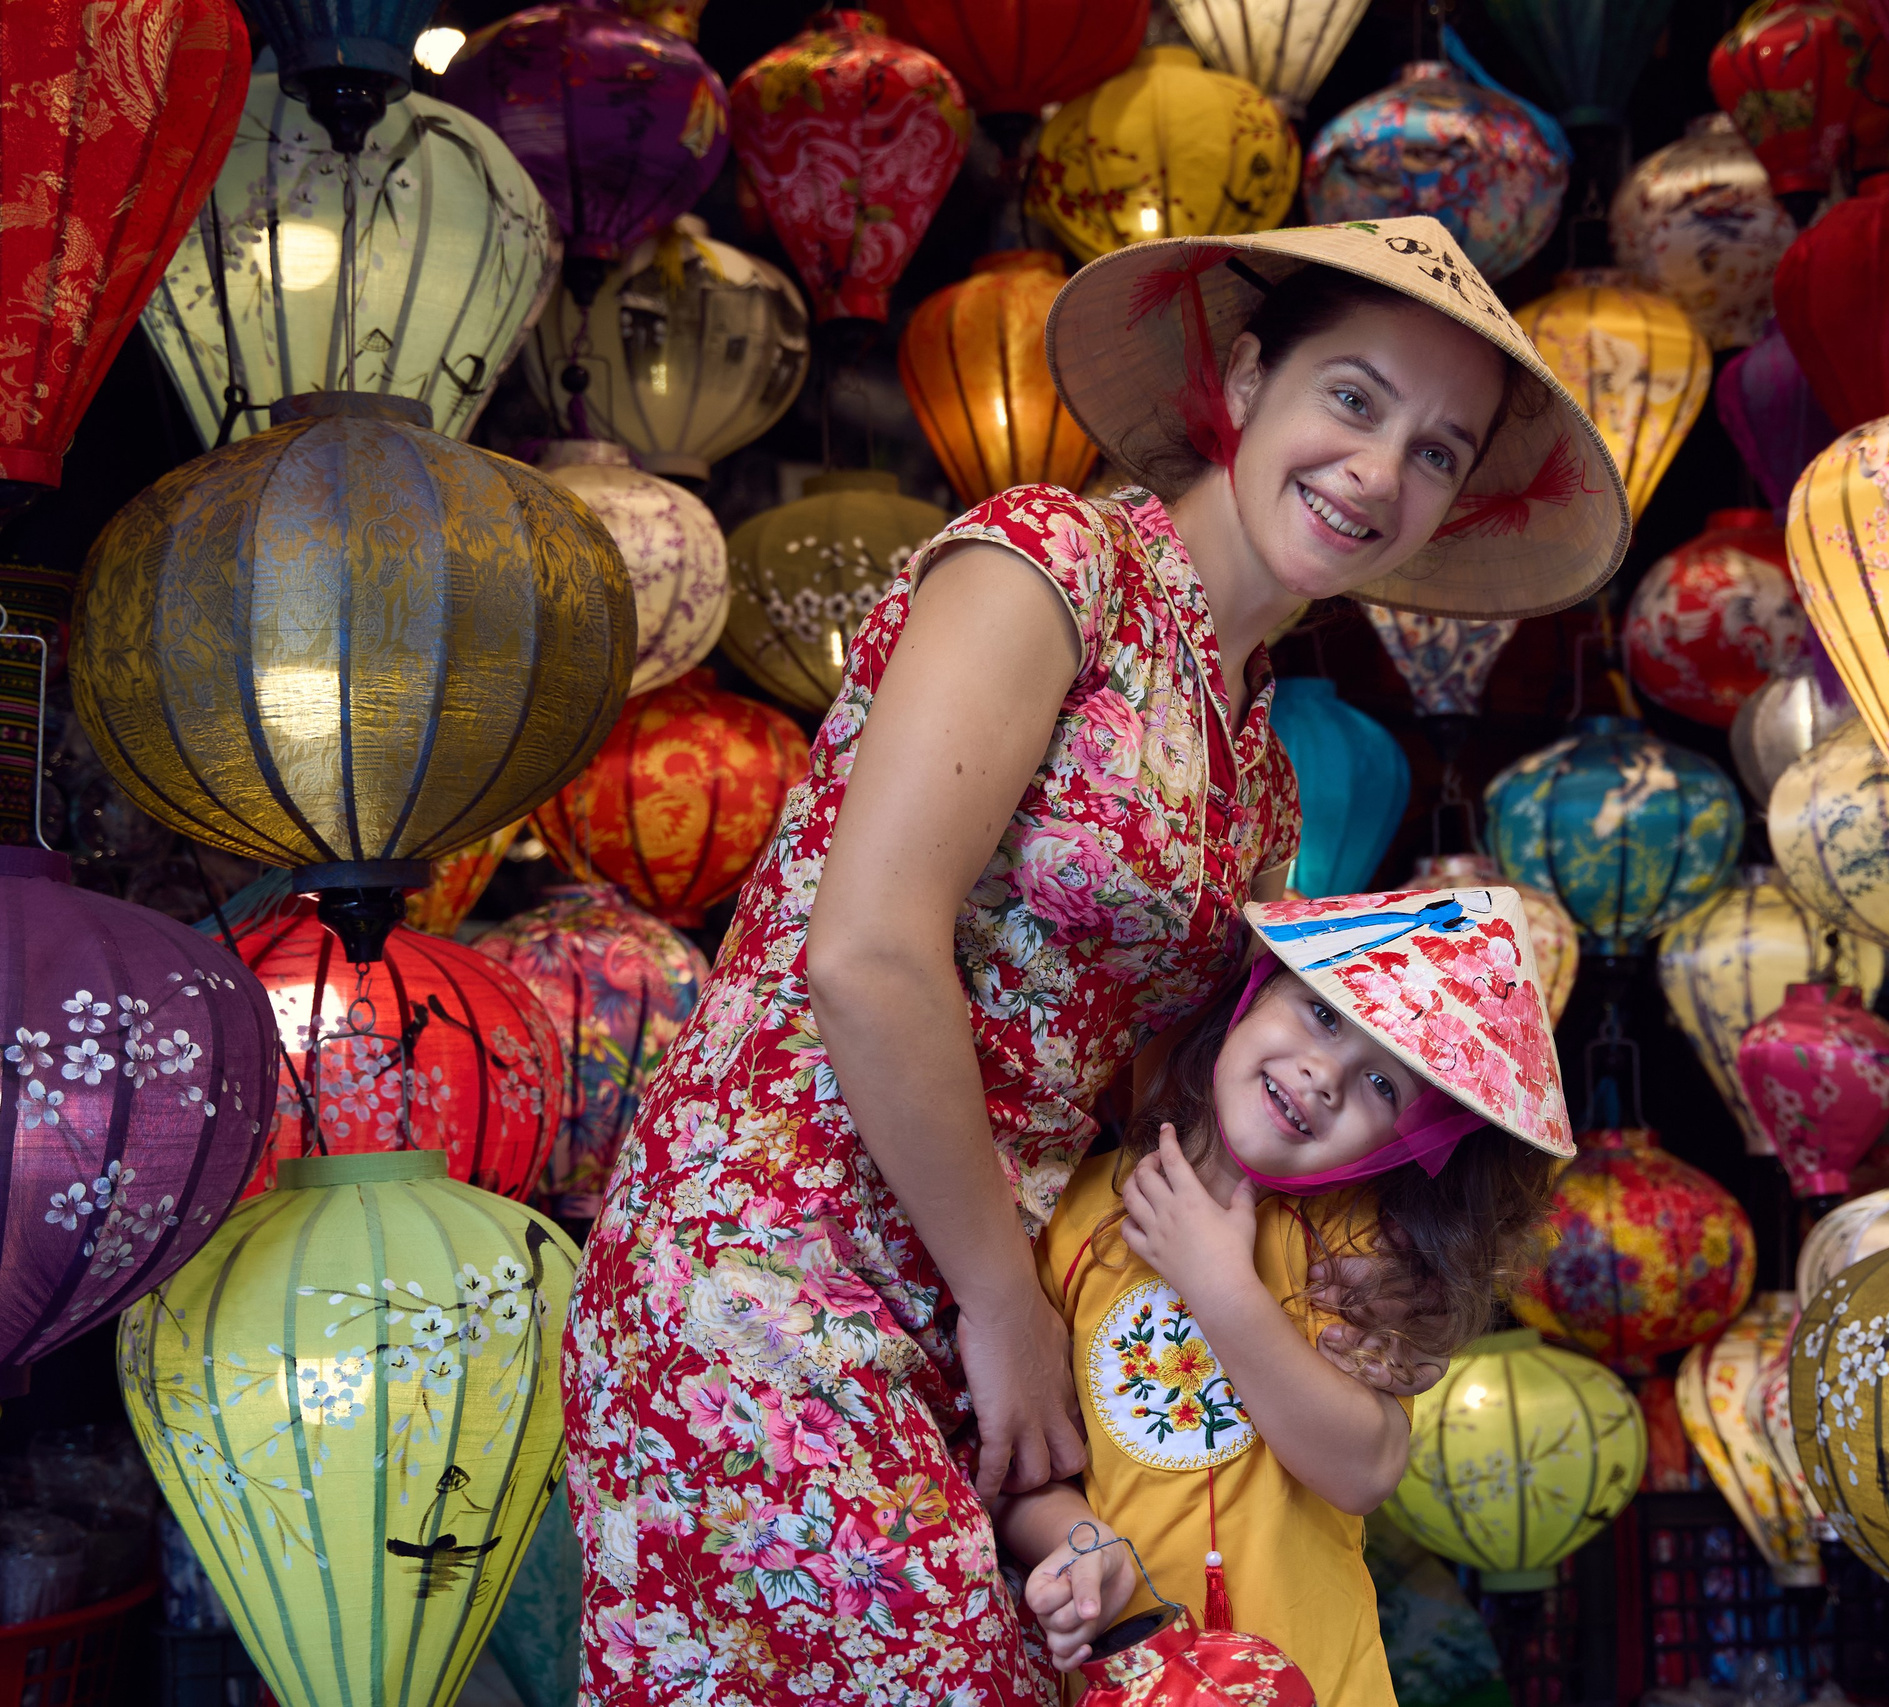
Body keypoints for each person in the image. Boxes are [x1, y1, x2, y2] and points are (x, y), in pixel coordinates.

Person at [560, 217, 1629, 1706]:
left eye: (1440, 451)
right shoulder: (1051, 563)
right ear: (1248, 379)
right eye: (1355, 398)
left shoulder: (1261, 769)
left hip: (998, 1293)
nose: (1380, 471)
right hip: (780, 1253)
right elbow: (866, 954)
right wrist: (1006, 1309)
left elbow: (1181, 1090)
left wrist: (1347, 1288)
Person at [999, 886, 1570, 1704]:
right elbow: (1030, 1472)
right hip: (1131, 1679)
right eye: (1324, 1014)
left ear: (1404, 1141)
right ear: (1255, 991)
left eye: (1384, 1085)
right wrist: (1078, 1544)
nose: (1324, 1075)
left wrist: (1221, 1287)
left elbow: (1365, 1466)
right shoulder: (1073, 1221)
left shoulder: (1364, 1250)